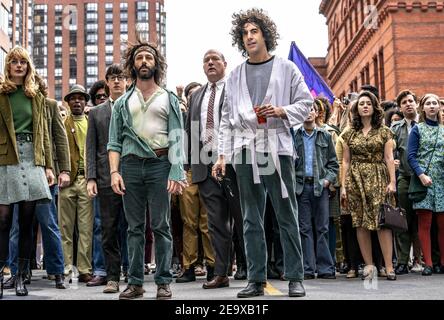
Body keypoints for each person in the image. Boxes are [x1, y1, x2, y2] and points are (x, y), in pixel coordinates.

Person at [213, 8, 312, 298]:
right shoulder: (234, 75)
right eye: (244, 33)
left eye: (253, 31)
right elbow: (226, 118)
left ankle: (295, 276)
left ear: (265, 34)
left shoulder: (286, 68)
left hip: (276, 149)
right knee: (250, 217)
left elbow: (307, 103)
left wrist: (281, 110)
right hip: (245, 151)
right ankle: (256, 278)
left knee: (286, 213)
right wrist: (221, 156)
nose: (248, 36)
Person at [107, 39, 187, 300]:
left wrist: (177, 170)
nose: (144, 62)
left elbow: (177, 135)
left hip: (160, 165)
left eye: (148, 58)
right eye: (139, 58)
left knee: (162, 225)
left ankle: (163, 281)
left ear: (156, 65)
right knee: (134, 228)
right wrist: (114, 172)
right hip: (129, 166)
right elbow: (114, 141)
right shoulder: (122, 103)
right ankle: (135, 283)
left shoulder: (169, 98)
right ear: (132, 64)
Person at [185, 49, 245, 288]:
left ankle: (254, 269)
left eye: (214, 59)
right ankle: (220, 273)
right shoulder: (196, 95)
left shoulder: (235, 88)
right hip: (204, 165)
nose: (210, 63)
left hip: (233, 163)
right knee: (216, 223)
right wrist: (188, 165)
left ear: (224, 64)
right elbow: (190, 131)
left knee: (244, 219)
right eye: (206, 60)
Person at [0, 46, 54, 298]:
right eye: (14, 62)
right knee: (3, 221)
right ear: (8, 66)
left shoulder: (37, 96)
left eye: (23, 62)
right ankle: (3, 273)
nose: (19, 65)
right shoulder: (1, 94)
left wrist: (49, 166)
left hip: (33, 159)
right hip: (5, 159)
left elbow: (44, 134)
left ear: (28, 66)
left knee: (27, 222)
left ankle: (22, 276)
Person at [340, 90, 397, 281]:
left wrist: (392, 181)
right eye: (361, 103)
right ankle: (370, 266)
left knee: (383, 223)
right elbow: (345, 161)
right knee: (360, 222)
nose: (365, 106)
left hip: (379, 177)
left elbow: (389, 157)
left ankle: (389, 267)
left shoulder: (384, 131)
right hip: (356, 180)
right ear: (356, 108)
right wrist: (343, 186)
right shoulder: (349, 133)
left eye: (368, 103)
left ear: (374, 107)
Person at [86, 64, 128, 293]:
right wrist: (90, 178)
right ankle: (112, 276)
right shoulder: (96, 112)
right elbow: (90, 147)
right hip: (104, 178)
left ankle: (133, 273)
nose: (116, 81)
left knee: (134, 227)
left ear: (127, 81)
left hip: (133, 176)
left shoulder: (135, 106)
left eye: (120, 77)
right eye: (112, 78)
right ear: (107, 82)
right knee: (109, 228)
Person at [294, 103, 339, 279]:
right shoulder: (294, 136)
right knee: (304, 228)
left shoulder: (325, 136)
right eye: (304, 110)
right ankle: (307, 268)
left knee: (323, 228)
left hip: (320, 186)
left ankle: (325, 268)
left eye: (311, 109)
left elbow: (333, 164)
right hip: (301, 187)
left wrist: (327, 180)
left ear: (316, 113)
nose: (308, 113)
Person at [59, 84, 94, 284]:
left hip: (86, 180)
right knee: (65, 227)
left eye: (81, 98)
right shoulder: (63, 122)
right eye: (73, 98)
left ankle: (84, 269)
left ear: (85, 101)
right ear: (68, 101)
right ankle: (66, 269)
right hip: (67, 181)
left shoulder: (91, 122)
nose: (77, 101)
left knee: (85, 228)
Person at [407, 93, 444, 276]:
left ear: (439, 107)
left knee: (442, 224)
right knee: (425, 223)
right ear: (422, 108)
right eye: (428, 103)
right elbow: (411, 156)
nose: (431, 106)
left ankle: (442, 262)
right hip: (424, 182)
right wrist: (421, 174)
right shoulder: (417, 129)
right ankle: (428, 263)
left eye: (434, 103)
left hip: (442, 181)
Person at [391, 90, 420, 275]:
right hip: (404, 177)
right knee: (403, 219)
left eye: (411, 101)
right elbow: (390, 152)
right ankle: (402, 261)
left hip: (424, 178)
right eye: (404, 102)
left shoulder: (425, 125)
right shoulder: (395, 128)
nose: (408, 104)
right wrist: (392, 161)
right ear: (400, 108)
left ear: (416, 103)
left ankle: (427, 259)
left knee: (425, 220)